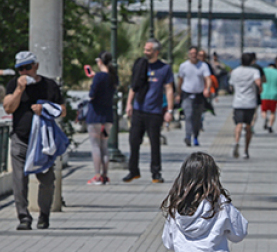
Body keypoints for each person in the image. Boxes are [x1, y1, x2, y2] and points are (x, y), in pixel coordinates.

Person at [3, 51, 65, 230]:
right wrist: (19, 89)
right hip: (20, 139)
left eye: (28, 67)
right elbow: (8, 108)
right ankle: (23, 217)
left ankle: (44, 215)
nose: (25, 72)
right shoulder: (14, 84)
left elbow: (62, 110)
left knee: (47, 180)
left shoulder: (49, 85)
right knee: (19, 182)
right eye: (20, 69)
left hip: (42, 142)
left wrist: (44, 108)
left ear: (36, 66)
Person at [124, 40, 175, 183]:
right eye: (145, 49)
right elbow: (133, 85)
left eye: (149, 50)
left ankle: (156, 172)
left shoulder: (164, 68)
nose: (145, 52)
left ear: (156, 52)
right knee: (134, 140)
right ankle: (133, 171)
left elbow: (169, 89)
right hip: (138, 109)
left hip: (155, 111)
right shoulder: (140, 64)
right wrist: (129, 104)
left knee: (154, 142)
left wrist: (169, 110)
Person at [85, 53, 117, 185]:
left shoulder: (99, 77)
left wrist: (94, 79)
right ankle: (105, 175)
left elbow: (92, 94)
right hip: (108, 114)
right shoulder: (113, 77)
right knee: (104, 146)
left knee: (95, 146)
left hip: (95, 114)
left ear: (99, 61)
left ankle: (97, 175)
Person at [228, 53, 263, 159]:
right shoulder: (254, 71)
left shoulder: (235, 71)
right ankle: (246, 150)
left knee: (238, 124)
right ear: (252, 61)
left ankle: (236, 141)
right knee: (248, 126)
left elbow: (231, 86)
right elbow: (258, 83)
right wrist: (260, 91)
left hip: (238, 102)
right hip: (250, 102)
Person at [177, 46, 213, 146]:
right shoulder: (183, 66)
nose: (193, 55)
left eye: (195, 53)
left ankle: (195, 136)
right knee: (188, 115)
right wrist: (178, 94)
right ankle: (188, 136)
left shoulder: (203, 66)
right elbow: (180, 80)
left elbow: (208, 78)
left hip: (199, 95)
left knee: (197, 117)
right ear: (188, 55)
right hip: (187, 94)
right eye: (191, 53)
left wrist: (207, 88)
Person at [260, 59, 277, 133]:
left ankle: (265, 118)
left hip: (264, 94)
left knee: (264, 110)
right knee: (272, 112)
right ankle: (270, 126)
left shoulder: (263, 71)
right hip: (274, 94)